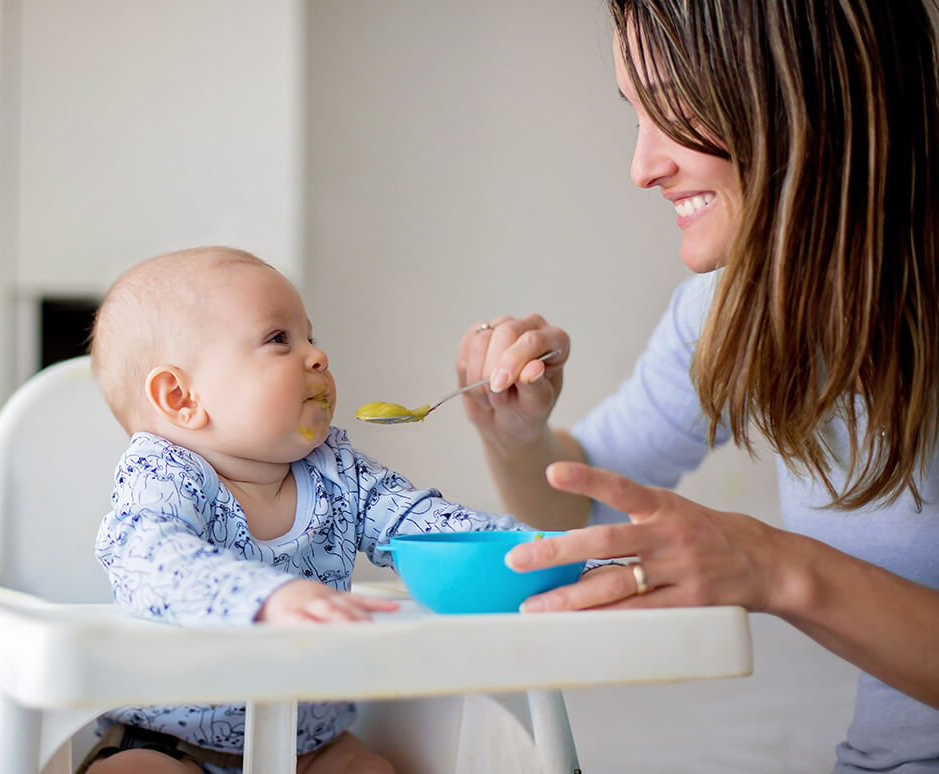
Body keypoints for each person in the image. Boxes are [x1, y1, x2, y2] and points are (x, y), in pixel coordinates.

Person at [454, 1, 939, 772]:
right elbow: (584, 500)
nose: (642, 166)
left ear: (804, 85)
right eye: (634, 115)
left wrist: (774, 567)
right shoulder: (730, 310)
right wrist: (516, 435)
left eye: (674, 103)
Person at [82, 246, 524, 774]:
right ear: (181, 398)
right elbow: (147, 558)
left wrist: (550, 552)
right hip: (163, 740)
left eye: (311, 337)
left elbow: (432, 526)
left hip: (309, 743)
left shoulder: (339, 473)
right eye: (278, 339)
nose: (317, 356)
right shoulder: (164, 474)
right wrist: (266, 598)